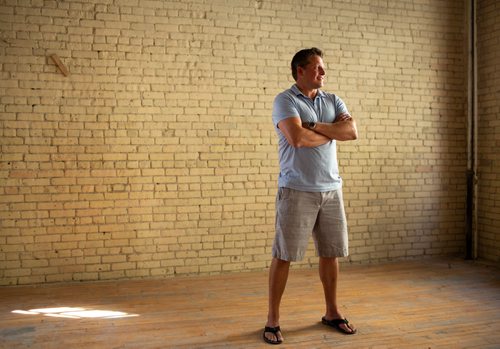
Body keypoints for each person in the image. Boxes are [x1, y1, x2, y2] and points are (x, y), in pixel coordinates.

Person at [263, 47, 358, 345]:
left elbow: (351, 131)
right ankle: (272, 320)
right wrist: (332, 131)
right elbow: (296, 138)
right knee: (284, 255)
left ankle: (332, 312)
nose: (323, 73)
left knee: (330, 254)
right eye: (317, 68)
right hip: (296, 190)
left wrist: (315, 126)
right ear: (300, 70)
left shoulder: (333, 100)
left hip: (331, 189)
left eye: (323, 68)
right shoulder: (285, 100)